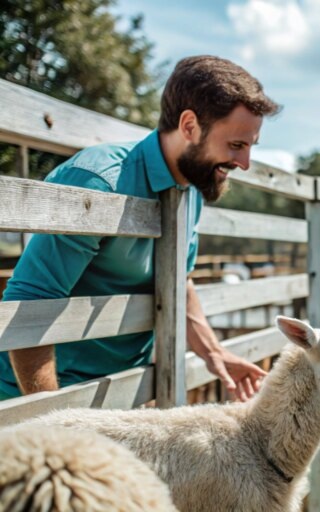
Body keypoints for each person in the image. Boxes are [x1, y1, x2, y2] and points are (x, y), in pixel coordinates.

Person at [0, 55, 281, 402]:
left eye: (250, 146)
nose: (244, 163)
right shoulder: (97, 182)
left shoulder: (190, 188)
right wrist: (51, 420)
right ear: (190, 126)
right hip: (48, 396)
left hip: (123, 392)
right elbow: (29, 301)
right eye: (236, 145)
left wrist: (214, 353)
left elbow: (180, 279)